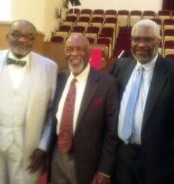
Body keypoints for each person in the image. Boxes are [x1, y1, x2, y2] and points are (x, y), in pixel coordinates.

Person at [0, 19, 58, 184]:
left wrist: (43, 146)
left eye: (29, 36)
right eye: (16, 35)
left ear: (33, 40)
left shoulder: (49, 67)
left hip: (29, 146)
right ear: (7, 36)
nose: (22, 40)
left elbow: (51, 114)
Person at [111, 19, 174, 184]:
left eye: (147, 39)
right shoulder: (120, 66)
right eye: (136, 39)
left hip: (159, 162)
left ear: (158, 42)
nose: (141, 44)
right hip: (122, 158)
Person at [48, 34, 118, 184]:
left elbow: (111, 131)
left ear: (89, 53)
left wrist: (105, 169)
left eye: (80, 49)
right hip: (57, 157)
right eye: (69, 49)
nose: (74, 53)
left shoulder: (107, 83)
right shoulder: (58, 79)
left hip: (88, 164)